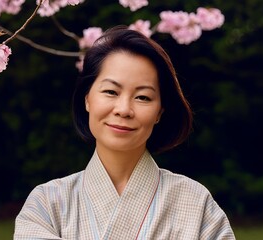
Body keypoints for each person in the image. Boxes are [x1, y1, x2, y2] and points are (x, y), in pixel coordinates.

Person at [14, 25, 235, 239]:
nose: (124, 110)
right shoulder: (47, 204)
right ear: (87, 99)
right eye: (111, 91)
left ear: (159, 112)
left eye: (143, 97)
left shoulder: (196, 203)